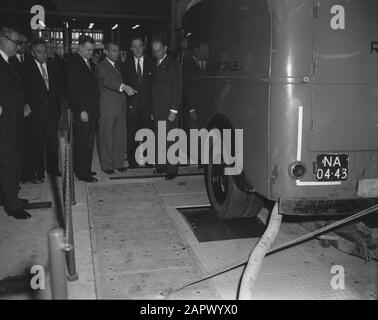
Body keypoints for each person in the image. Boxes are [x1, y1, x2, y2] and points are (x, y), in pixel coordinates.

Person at [0, 27, 31, 219]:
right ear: (2, 40)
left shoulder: (9, 61)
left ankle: (10, 196)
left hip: (15, 117)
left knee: (13, 160)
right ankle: (12, 206)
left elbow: (14, 90)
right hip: (5, 121)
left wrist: (23, 105)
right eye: (15, 41)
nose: (17, 46)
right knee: (8, 162)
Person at [24, 39, 61, 181]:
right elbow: (23, 89)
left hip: (52, 113)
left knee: (53, 143)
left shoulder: (53, 65)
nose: (43, 55)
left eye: (45, 51)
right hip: (36, 113)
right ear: (33, 53)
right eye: (39, 52)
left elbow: (57, 89)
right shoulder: (27, 67)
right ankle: (38, 172)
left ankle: (53, 169)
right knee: (37, 144)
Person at [95, 42, 135, 174]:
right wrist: (123, 87)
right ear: (106, 52)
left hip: (120, 108)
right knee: (107, 138)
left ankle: (118, 162)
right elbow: (107, 81)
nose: (116, 53)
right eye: (113, 51)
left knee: (119, 137)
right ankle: (107, 165)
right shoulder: (101, 67)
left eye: (118, 51)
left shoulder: (117, 66)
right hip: (107, 109)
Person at [67, 35, 100, 182]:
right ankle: (82, 173)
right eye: (88, 50)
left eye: (92, 50)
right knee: (82, 142)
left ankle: (86, 169)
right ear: (79, 47)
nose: (91, 53)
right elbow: (74, 89)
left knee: (88, 142)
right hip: (83, 110)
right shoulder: (74, 62)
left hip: (91, 109)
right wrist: (81, 110)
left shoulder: (88, 62)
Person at [151, 36, 183, 180]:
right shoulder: (155, 64)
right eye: (154, 51)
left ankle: (172, 170)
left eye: (159, 50)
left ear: (165, 49)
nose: (157, 53)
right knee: (159, 139)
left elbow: (177, 88)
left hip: (169, 110)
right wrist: (152, 110)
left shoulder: (174, 65)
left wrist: (174, 110)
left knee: (170, 140)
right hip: (157, 110)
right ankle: (161, 166)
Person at [123, 36, 153, 168]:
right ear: (131, 49)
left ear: (144, 47)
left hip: (148, 106)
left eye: (139, 45)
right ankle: (132, 161)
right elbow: (123, 86)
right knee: (132, 134)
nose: (137, 49)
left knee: (148, 134)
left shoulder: (152, 63)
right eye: (134, 46)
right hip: (132, 106)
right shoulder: (125, 65)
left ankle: (149, 160)